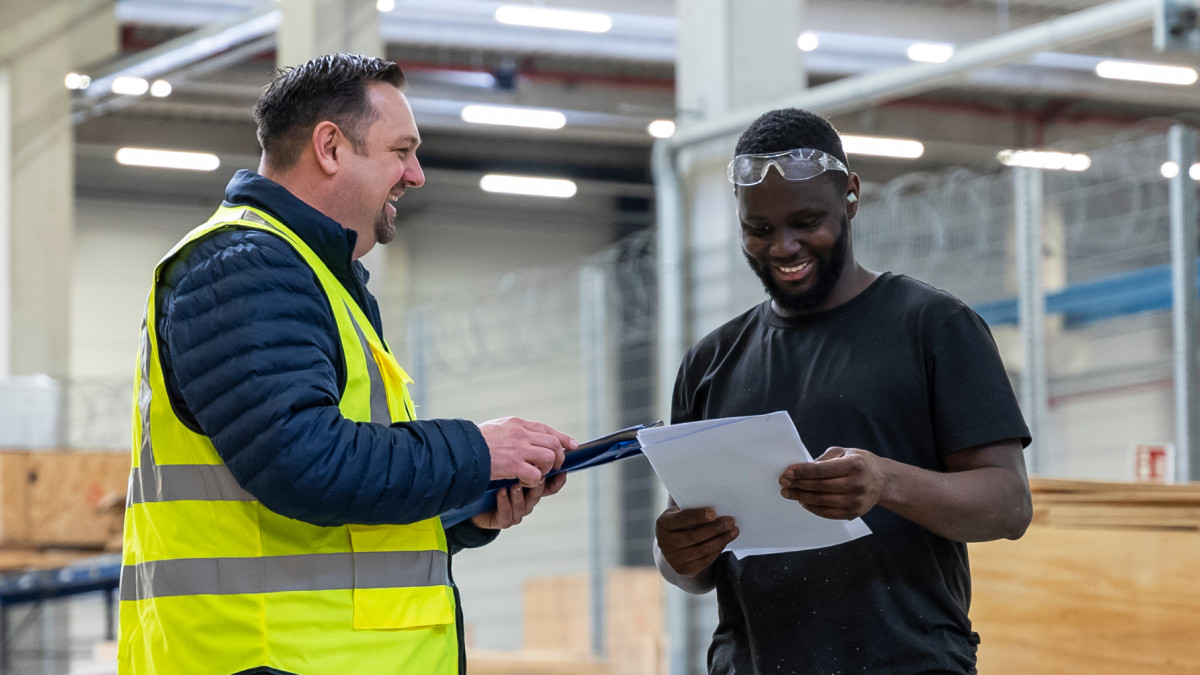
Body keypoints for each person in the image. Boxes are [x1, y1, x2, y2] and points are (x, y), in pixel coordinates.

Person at [118, 53, 577, 675]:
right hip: (267, 658)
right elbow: (301, 461)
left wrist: (459, 509)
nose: (415, 175)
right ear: (330, 147)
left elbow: (328, 512)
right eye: (401, 151)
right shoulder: (246, 268)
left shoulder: (313, 276)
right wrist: (475, 452)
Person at [652, 108, 1033, 674]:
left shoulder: (933, 326)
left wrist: (886, 482)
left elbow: (1009, 505)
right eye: (759, 229)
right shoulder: (710, 363)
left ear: (850, 195)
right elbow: (691, 567)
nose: (783, 247)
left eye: (806, 222)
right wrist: (675, 554)